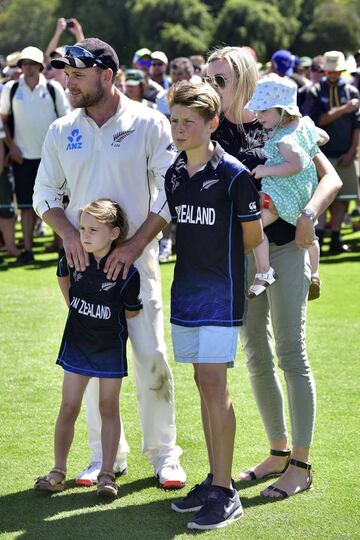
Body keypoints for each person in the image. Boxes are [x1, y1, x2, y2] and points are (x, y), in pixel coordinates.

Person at [33, 38, 186, 489]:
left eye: (77, 75)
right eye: (66, 74)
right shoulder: (62, 129)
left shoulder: (148, 121)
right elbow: (45, 194)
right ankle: (105, 459)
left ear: (107, 74)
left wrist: (135, 243)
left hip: (137, 264)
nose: (68, 81)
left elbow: (171, 188)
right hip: (85, 274)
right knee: (97, 359)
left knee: (151, 355)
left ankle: (164, 455)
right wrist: (66, 234)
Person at [206, 46, 342, 499]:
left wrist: (308, 213)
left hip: (286, 247)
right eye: (209, 79)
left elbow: (331, 179)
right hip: (242, 256)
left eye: (220, 80)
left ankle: (300, 465)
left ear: (246, 81)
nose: (213, 88)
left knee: (291, 351)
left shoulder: (284, 121)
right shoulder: (211, 128)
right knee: (256, 356)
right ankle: (278, 452)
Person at [167, 81, 262, 530]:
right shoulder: (173, 172)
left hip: (220, 294)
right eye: (174, 120)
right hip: (184, 291)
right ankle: (215, 477)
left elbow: (252, 236)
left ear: (212, 124)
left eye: (188, 122)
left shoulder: (234, 175)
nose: (179, 129)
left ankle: (225, 493)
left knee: (213, 383)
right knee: (202, 386)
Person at [34, 199, 142, 498]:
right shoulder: (72, 257)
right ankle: (58, 471)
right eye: (82, 228)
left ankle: (107, 475)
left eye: (94, 229)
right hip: (77, 345)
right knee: (68, 407)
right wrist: (74, 305)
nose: (85, 235)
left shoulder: (126, 270)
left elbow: (131, 311)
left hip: (109, 347)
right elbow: (62, 277)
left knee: (108, 407)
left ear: (114, 233)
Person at [245, 76, 324, 301]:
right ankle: (315, 273)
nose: (258, 116)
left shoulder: (285, 139)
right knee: (312, 238)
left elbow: (294, 165)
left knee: (254, 228)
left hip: (279, 194)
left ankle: (264, 271)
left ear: (283, 110)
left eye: (264, 111)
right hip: (301, 194)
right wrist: (309, 142)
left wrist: (263, 170)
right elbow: (324, 137)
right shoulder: (305, 125)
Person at [0, 45, 69, 264]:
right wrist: (12, 146)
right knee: (25, 206)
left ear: (41, 66)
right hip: (23, 157)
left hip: (51, 157)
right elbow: (3, 120)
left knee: (58, 202)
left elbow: (65, 119)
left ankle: (62, 248)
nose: (28, 68)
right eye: (24, 63)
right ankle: (28, 250)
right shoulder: (11, 88)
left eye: (32, 64)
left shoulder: (53, 88)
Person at [306, 50, 360, 255]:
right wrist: (344, 109)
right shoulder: (315, 91)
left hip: (345, 153)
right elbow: (318, 121)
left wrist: (352, 151)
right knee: (323, 198)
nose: (333, 75)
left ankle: (336, 238)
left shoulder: (352, 91)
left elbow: (357, 126)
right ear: (325, 71)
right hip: (322, 154)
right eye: (330, 71)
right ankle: (321, 238)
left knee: (344, 198)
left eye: (336, 71)